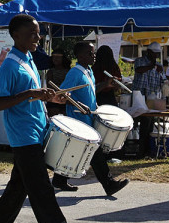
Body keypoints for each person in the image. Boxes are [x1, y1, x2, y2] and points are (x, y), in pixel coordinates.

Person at [0, 14, 87, 223]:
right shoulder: (10, 64)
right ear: (16, 36)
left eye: (38, 33)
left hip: (37, 130)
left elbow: (32, 97)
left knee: (18, 186)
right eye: (32, 33)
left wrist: (49, 98)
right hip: (23, 136)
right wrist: (30, 93)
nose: (38, 37)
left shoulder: (27, 59)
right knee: (41, 191)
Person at [51, 42, 130, 195]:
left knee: (80, 150)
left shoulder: (88, 71)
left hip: (89, 119)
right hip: (78, 119)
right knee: (95, 151)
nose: (93, 56)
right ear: (80, 56)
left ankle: (59, 179)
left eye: (93, 53)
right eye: (89, 53)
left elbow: (91, 90)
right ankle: (109, 185)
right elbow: (63, 94)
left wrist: (105, 84)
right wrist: (79, 104)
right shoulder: (75, 73)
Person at [45, 48, 70, 116]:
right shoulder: (50, 72)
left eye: (58, 57)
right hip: (53, 101)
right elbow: (49, 87)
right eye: (54, 57)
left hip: (65, 99)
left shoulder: (68, 71)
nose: (55, 59)